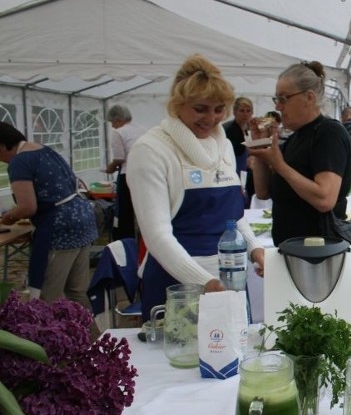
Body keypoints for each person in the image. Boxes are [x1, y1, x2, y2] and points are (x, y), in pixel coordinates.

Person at [125, 54, 265, 319]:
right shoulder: (151, 150)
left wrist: (254, 247)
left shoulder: (222, 145)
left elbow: (232, 218)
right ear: (177, 105)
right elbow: (157, 237)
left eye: (219, 109)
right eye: (200, 109)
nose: (211, 119)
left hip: (228, 278)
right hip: (177, 285)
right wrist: (207, 282)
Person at [250, 61, 351, 245]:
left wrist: (280, 165)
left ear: (309, 97)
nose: (278, 107)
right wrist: (260, 149)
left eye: (283, 98)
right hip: (292, 251)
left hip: (319, 254)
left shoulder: (329, 133)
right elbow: (262, 192)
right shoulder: (294, 139)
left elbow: (325, 199)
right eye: (277, 100)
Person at [0, 122, 98, 307]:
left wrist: (8, 217)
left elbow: (28, 207)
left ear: (3, 145)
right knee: (76, 292)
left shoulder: (19, 162)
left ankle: (50, 334)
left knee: (46, 295)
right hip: (81, 220)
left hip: (60, 228)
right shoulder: (44, 150)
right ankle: (92, 335)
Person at [104, 104, 146, 240]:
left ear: (118, 119)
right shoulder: (142, 129)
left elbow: (119, 158)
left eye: (112, 122)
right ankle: (144, 237)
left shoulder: (119, 132)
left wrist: (110, 167)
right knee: (144, 207)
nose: (112, 126)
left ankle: (125, 241)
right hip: (146, 172)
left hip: (127, 174)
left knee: (125, 210)